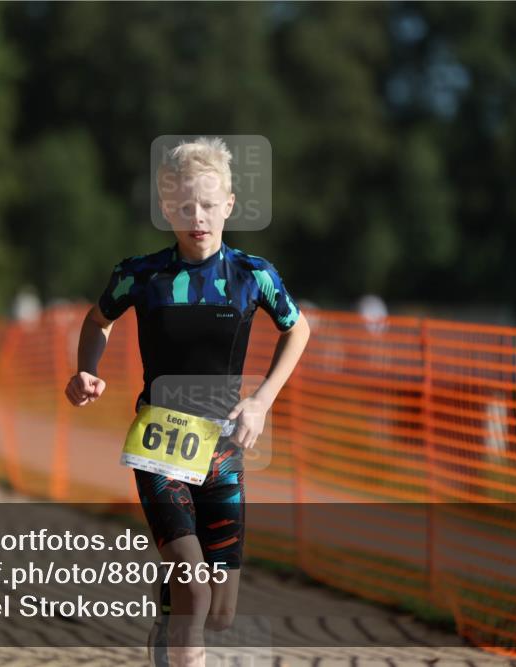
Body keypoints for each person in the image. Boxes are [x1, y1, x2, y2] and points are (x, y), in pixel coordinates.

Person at [64, 137, 310, 666]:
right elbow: (97, 321)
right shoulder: (141, 275)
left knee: (219, 611)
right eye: (182, 206)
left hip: (223, 452)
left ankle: (168, 616)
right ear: (165, 208)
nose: (196, 217)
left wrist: (261, 401)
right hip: (159, 448)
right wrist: (87, 369)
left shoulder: (253, 276)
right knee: (195, 591)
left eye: (207, 204)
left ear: (229, 205)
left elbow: (298, 329)